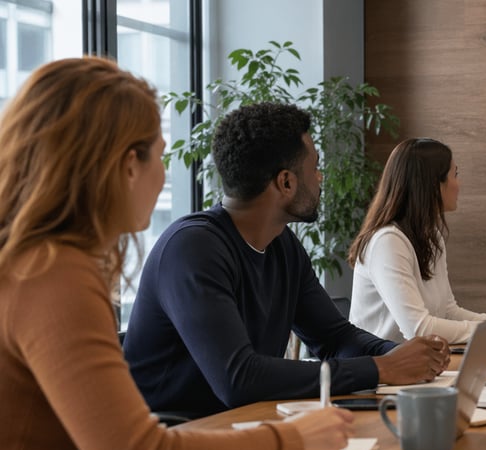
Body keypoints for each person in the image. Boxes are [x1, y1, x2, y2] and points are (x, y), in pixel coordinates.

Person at [0, 57, 356, 450]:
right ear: (129, 165)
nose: (164, 173)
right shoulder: (53, 276)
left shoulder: (38, 263)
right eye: (162, 154)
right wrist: (293, 440)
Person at [124, 103, 450, 419]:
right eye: (314, 168)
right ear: (286, 182)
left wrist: (399, 354)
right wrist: (382, 368)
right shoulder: (192, 249)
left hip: (245, 426)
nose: (320, 178)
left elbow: (336, 338)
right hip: (181, 437)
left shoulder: (282, 245)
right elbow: (238, 379)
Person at [347, 138, 486, 344]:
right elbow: (418, 329)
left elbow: (448, 311)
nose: (459, 184)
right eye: (454, 175)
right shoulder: (387, 242)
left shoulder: (430, 236)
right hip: (381, 370)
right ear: (432, 185)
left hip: (418, 365)